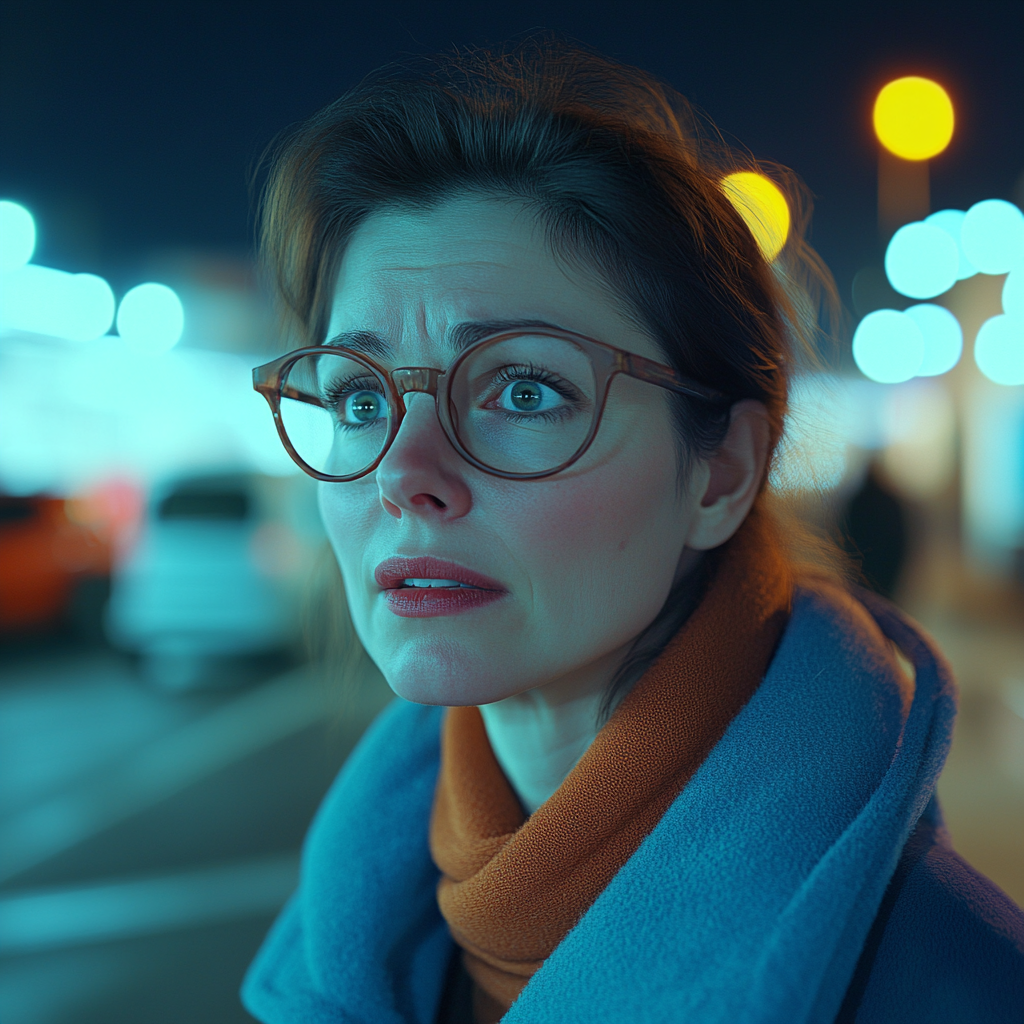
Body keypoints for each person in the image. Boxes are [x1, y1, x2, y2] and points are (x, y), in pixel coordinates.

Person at [242, 40, 1023, 1024]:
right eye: (358, 397)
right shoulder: (350, 944)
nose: (405, 474)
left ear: (721, 472)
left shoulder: (953, 983)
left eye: (523, 389)